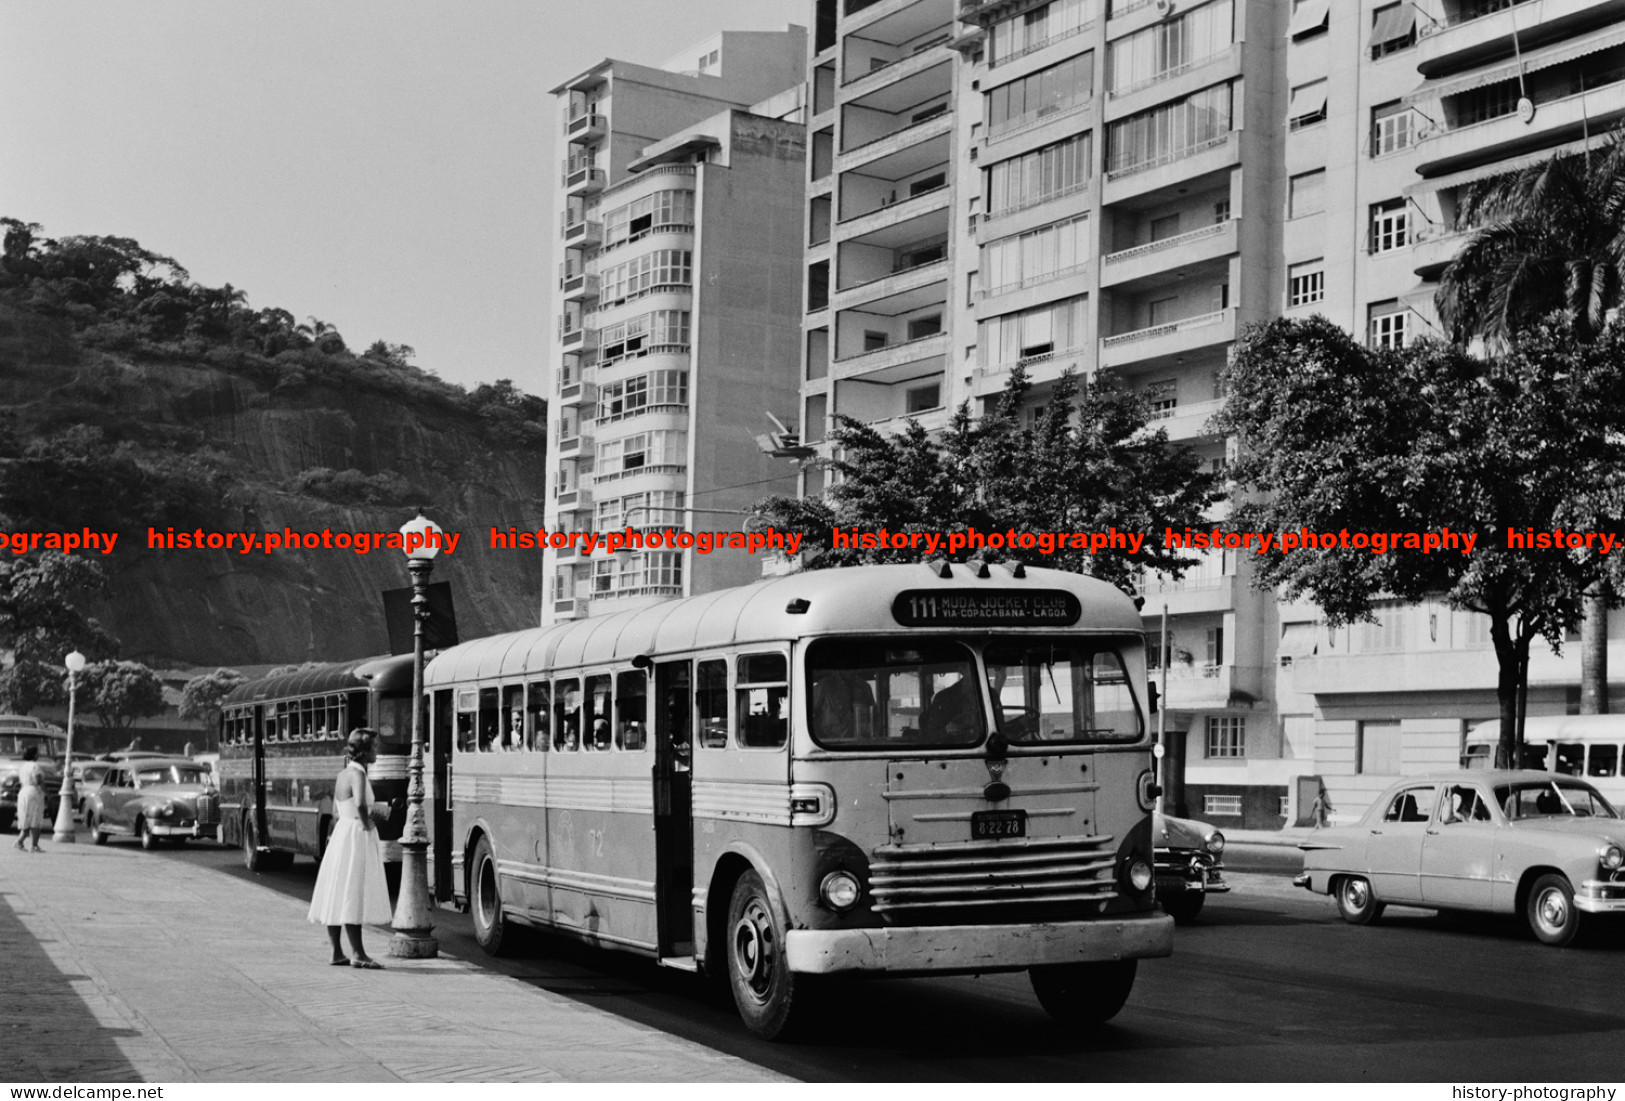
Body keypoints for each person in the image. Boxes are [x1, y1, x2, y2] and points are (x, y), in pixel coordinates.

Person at [307, 729, 391, 968]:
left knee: (336, 890)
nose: (377, 751)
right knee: (353, 891)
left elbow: (336, 810)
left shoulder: (342, 774)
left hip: (342, 831)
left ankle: (336, 951)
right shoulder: (359, 774)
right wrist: (367, 825)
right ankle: (358, 954)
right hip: (355, 834)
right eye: (374, 748)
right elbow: (362, 803)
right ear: (364, 752)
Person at [13, 745, 46, 852]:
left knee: (25, 819)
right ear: (34, 754)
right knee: (35, 819)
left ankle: (20, 841)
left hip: (23, 792)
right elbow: (38, 780)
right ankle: (34, 845)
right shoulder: (35, 766)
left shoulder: (23, 766)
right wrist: (48, 793)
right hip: (33, 792)